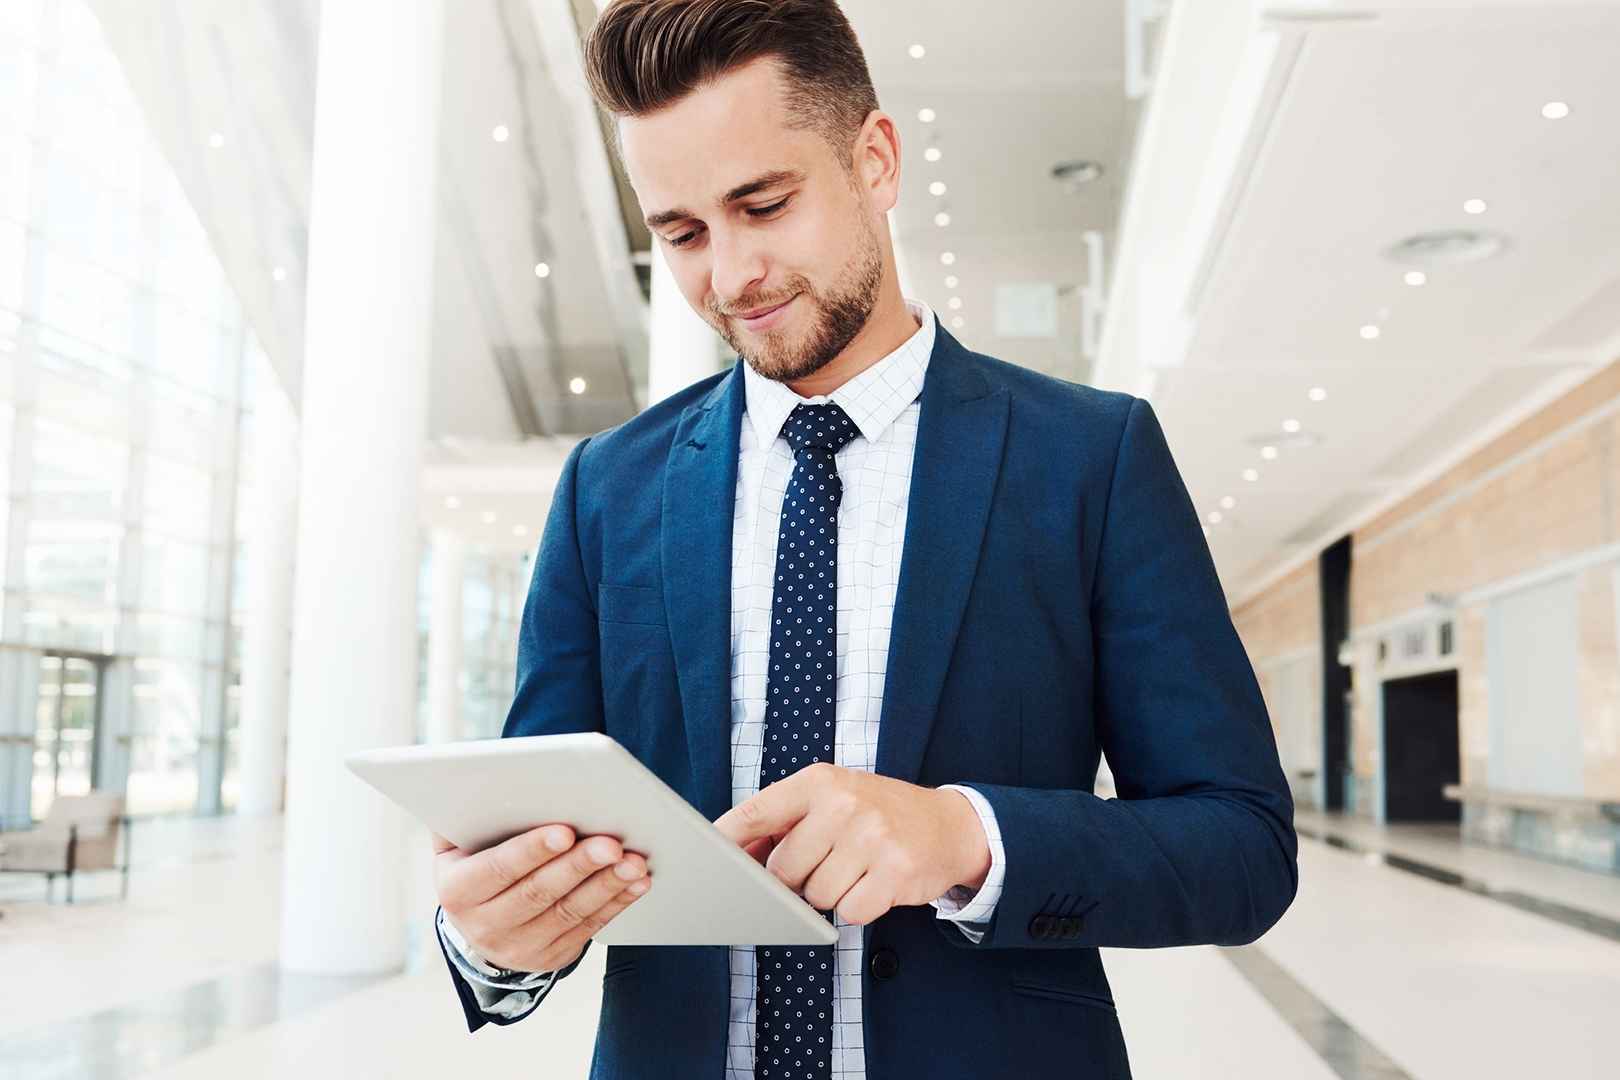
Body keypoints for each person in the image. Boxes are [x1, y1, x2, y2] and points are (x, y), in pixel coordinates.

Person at [431, 1, 1297, 1077]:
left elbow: (1243, 850)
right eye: (683, 234)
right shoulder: (607, 488)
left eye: (764, 203)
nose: (732, 275)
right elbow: (543, 836)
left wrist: (962, 837)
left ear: (875, 160)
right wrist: (494, 939)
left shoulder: (1089, 457)